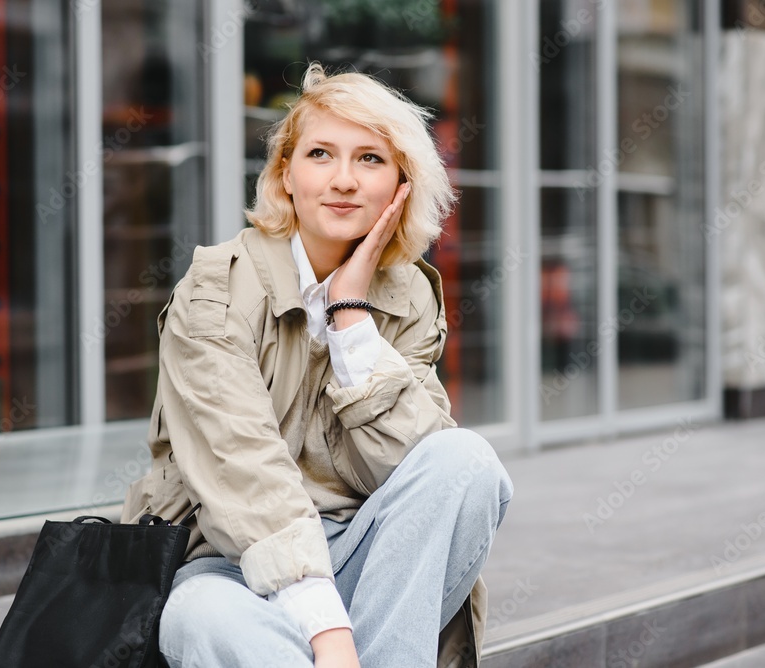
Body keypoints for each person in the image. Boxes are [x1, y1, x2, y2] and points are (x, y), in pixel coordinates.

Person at [120, 62, 513, 668]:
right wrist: (329, 636)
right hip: (231, 562)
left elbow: (416, 468)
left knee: (467, 460)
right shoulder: (217, 288)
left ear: (401, 186)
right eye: (321, 154)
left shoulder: (406, 294)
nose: (344, 180)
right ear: (286, 174)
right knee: (202, 619)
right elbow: (241, 470)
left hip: (367, 559)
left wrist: (351, 317)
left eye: (370, 160)